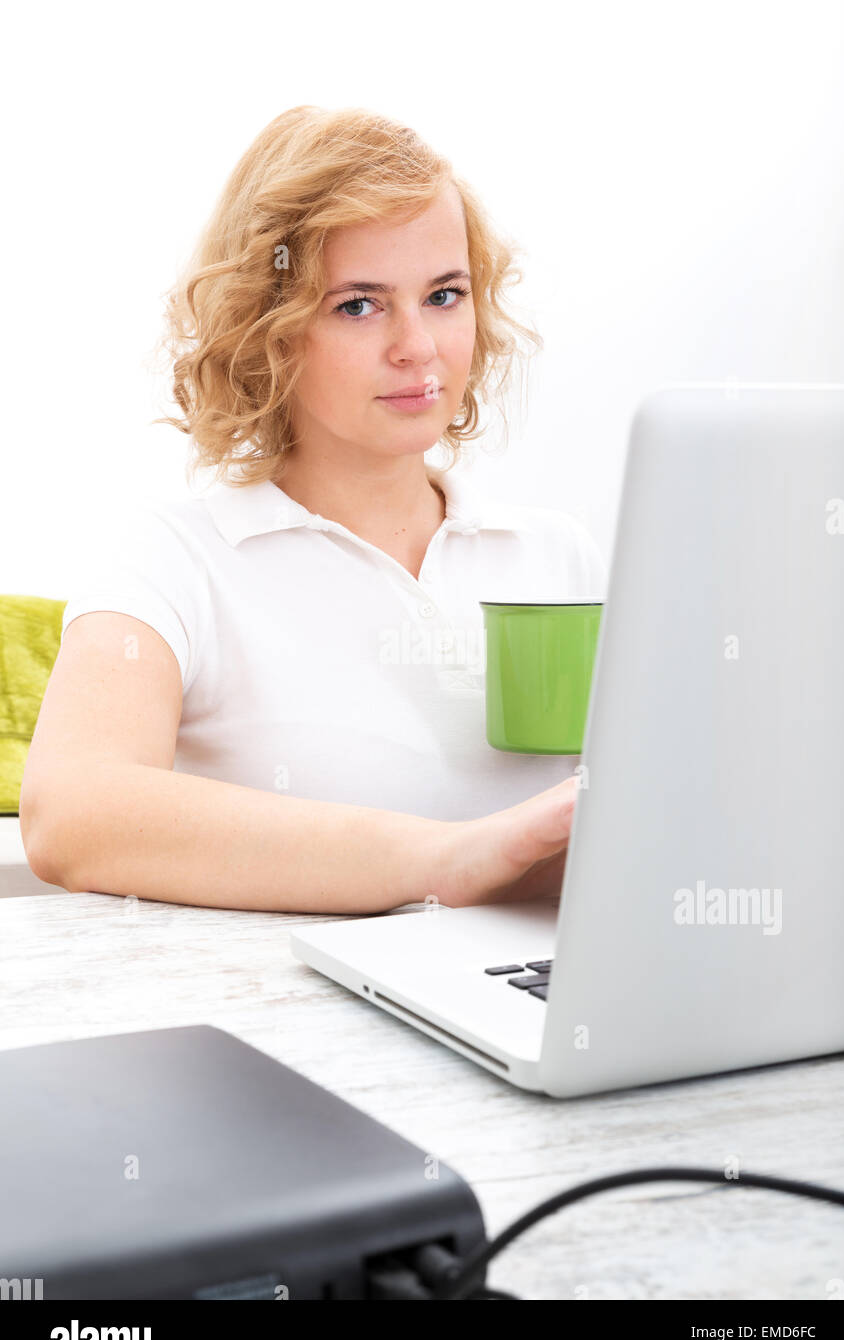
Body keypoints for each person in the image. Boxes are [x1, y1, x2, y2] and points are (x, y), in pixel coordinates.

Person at [20, 106, 606, 915]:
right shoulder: (175, 556)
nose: (418, 347)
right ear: (269, 328)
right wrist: (447, 860)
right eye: (359, 305)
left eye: (444, 294)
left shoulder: (553, 555)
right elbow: (71, 813)